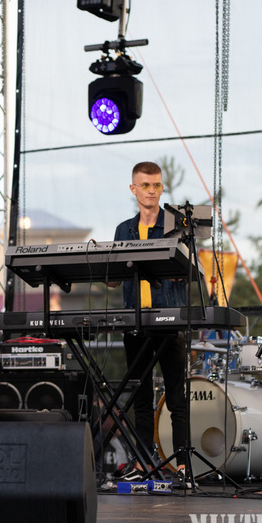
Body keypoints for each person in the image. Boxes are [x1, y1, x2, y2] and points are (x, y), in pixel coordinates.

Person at [111, 161, 191, 486]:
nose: (151, 191)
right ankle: (143, 463)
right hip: (136, 323)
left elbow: (188, 271)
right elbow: (114, 282)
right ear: (133, 189)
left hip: (169, 321)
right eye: (145, 185)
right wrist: (101, 263)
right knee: (141, 400)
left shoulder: (175, 226)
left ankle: (183, 466)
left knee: (177, 399)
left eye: (156, 185)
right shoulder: (124, 230)